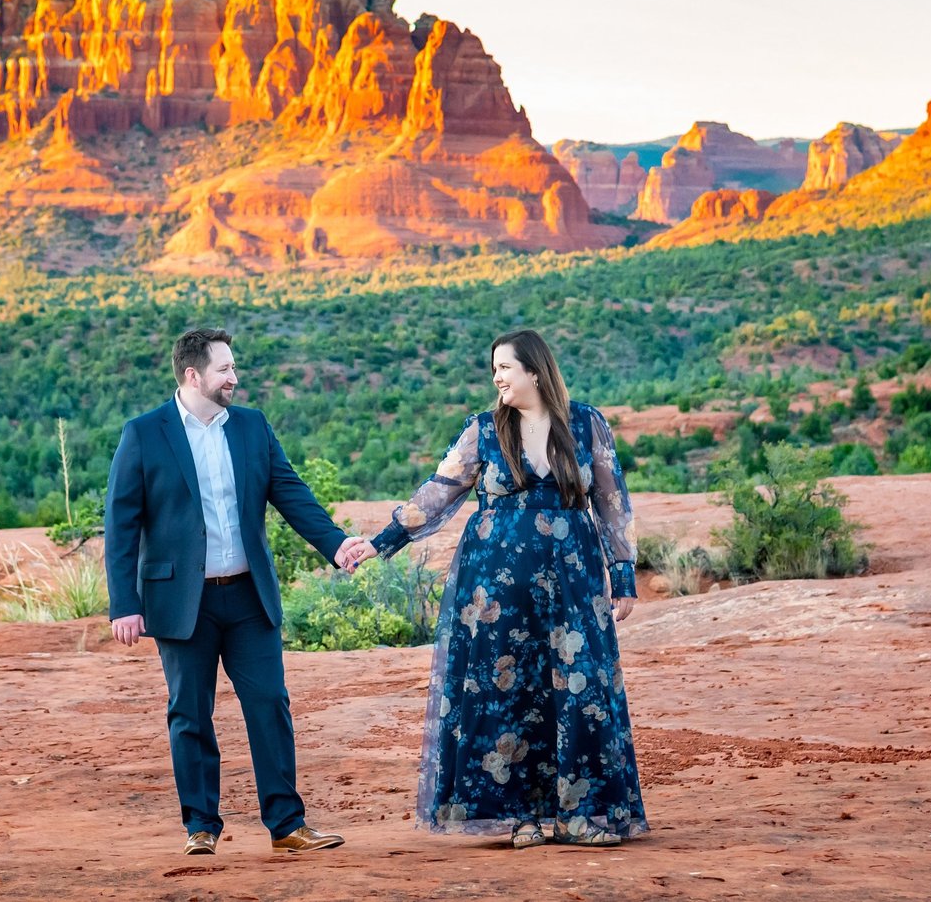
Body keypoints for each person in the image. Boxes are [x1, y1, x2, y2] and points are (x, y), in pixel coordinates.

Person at [340, 328, 647, 848]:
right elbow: (436, 494)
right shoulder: (483, 431)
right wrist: (380, 541)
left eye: (505, 367)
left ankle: (579, 815)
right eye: (495, 370)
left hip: (573, 580)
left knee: (579, 687)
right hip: (496, 589)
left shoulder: (585, 423)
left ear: (535, 370)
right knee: (509, 692)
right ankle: (520, 817)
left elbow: (613, 500)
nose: (498, 378)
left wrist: (622, 574)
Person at [105, 327, 371, 856]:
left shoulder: (251, 426)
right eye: (225, 368)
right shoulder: (144, 433)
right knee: (190, 712)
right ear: (193, 375)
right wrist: (125, 605)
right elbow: (121, 522)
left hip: (249, 596)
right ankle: (200, 826)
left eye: (232, 367)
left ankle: (287, 825)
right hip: (182, 603)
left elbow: (290, 492)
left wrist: (336, 544)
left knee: (270, 703)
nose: (234, 376)